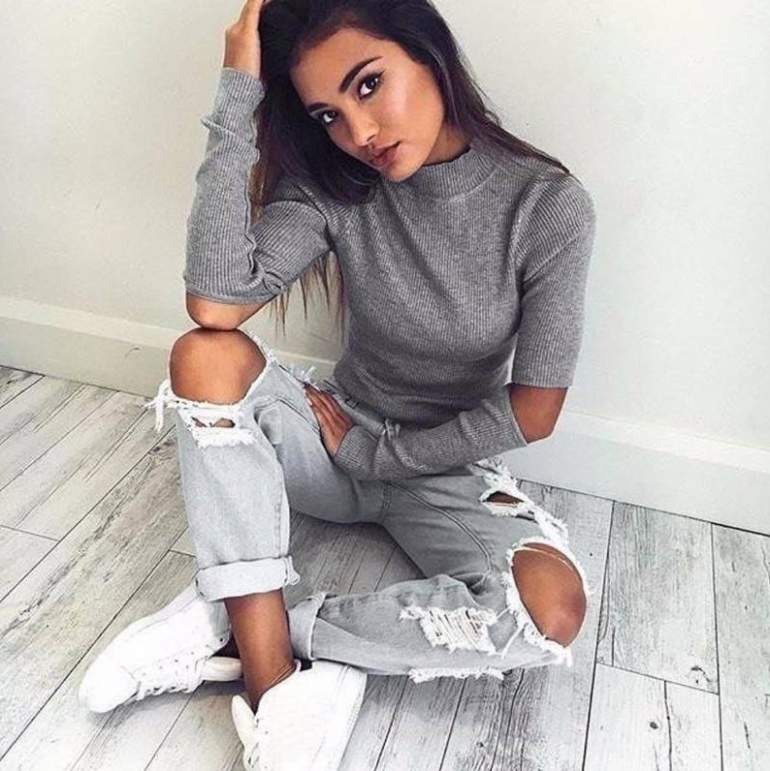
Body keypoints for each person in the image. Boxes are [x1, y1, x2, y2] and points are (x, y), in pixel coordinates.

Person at [79, 0, 597, 768]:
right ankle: (271, 677)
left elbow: (533, 411)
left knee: (548, 606)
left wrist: (380, 455)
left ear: (429, 53)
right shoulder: (338, 187)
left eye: (369, 84)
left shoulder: (546, 205)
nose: (359, 133)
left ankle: (244, 620)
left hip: (444, 466)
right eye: (327, 114)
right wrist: (237, 92)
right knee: (204, 355)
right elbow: (217, 302)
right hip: (331, 435)